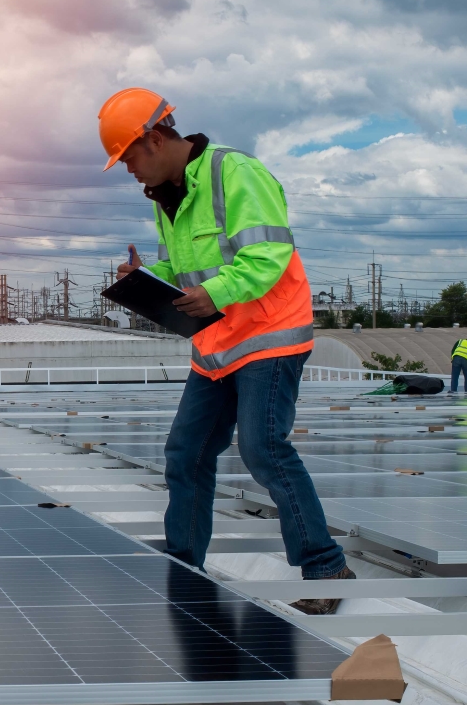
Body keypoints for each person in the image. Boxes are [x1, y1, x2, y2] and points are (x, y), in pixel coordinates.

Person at [100, 87, 354, 612]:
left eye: (128, 158)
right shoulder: (169, 198)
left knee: (263, 449)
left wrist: (214, 293)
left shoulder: (234, 173)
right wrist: (145, 277)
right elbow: (184, 270)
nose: (128, 170)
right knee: (186, 453)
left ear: (154, 138)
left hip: (269, 334)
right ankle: (182, 561)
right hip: (217, 344)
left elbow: (268, 253)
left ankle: (326, 567)